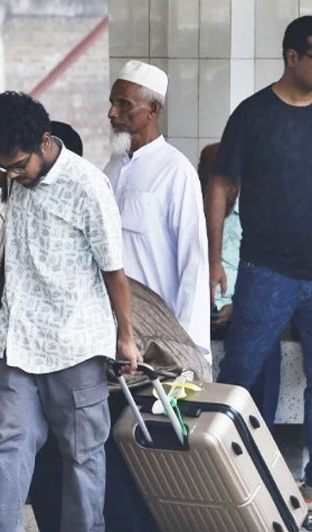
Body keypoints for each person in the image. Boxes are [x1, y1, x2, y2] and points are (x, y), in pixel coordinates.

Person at [0, 91, 142, 532]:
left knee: (82, 449)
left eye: (17, 165)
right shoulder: (16, 179)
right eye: (2, 167)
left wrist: (126, 336)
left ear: (45, 141)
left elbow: (114, 270)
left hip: (76, 340)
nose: (11, 175)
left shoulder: (88, 186)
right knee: (7, 442)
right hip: (20, 339)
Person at [206, 16, 312, 513]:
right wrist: (214, 259)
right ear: (292, 57)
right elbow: (220, 185)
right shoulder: (253, 114)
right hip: (266, 271)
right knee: (240, 369)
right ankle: (216, 469)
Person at [105, 60, 210, 358]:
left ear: (153, 109)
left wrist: (187, 346)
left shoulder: (176, 171)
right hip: (113, 329)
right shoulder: (111, 169)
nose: (112, 113)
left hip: (160, 333)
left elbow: (194, 261)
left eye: (124, 105)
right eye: (112, 103)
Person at [200, 143, 281, 420]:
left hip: (239, 309)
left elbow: (267, 276)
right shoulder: (187, 212)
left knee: (266, 341)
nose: (223, 189)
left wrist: (238, 306)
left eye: (231, 182)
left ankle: (260, 429)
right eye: (210, 180)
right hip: (192, 312)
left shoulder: (254, 217)